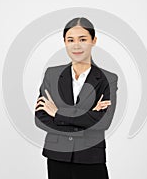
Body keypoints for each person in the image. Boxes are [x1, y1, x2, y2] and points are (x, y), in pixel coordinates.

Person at [35, 17, 118, 179]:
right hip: (57, 156)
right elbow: (40, 117)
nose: (76, 45)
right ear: (65, 42)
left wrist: (58, 113)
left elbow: (103, 121)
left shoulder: (108, 78)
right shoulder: (52, 74)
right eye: (70, 40)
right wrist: (86, 117)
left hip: (90, 157)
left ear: (93, 41)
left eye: (83, 39)